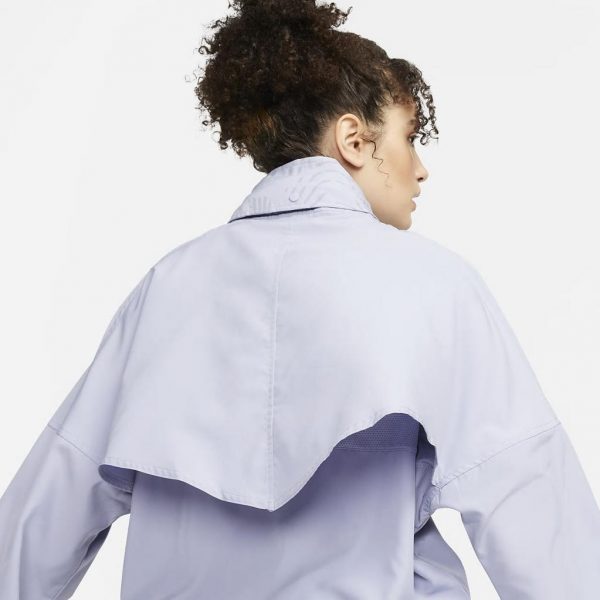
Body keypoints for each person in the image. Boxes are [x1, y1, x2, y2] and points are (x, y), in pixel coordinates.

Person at [1, 1, 599, 598]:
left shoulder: (168, 286)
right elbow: (529, 496)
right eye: (409, 138)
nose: (420, 170)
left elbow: (55, 499)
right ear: (354, 140)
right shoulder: (437, 285)